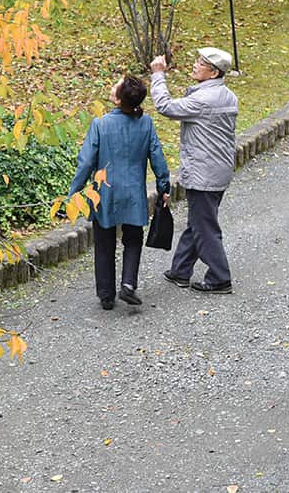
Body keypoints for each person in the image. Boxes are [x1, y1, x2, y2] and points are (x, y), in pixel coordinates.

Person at [68, 75, 171, 310]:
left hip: (104, 193)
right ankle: (128, 284)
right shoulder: (146, 124)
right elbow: (158, 158)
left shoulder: (100, 124)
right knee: (133, 239)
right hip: (134, 192)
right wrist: (164, 187)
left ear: (117, 99)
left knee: (104, 242)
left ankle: (106, 295)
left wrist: (74, 192)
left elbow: (85, 163)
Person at [149, 47, 238, 294]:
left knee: (204, 227)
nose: (195, 65)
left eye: (201, 63)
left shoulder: (204, 100)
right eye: (197, 60)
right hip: (218, 170)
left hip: (204, 174)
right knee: (199, 221)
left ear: (213, 72)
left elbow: (166, 107)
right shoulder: (228, 95)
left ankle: (220, 278)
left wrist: (158, 75)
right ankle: (180, 271)